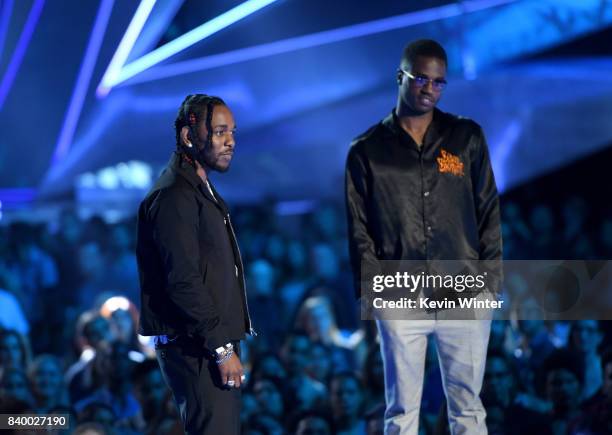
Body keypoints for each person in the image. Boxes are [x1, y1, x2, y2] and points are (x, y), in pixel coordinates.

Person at [345, 39, 502, 434]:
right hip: (399, 291)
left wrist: (491, 281)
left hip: (464, 286)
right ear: (400, 77)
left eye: (438, 82)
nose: (430, 89)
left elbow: (488, 209)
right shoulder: (366, 150)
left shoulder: (466, 137)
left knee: (468, 407)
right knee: (401, 411)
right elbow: (358, 226)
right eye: (421, 80)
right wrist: (372, 291)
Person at [136, 94, 254, 435]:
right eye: (219, 132)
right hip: (198, 347)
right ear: (189, 136)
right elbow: (183, 280)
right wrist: (220, 347)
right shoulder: (174, 196)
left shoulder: (200, 190)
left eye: (232, 131)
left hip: (207, 343)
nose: (230, 140)